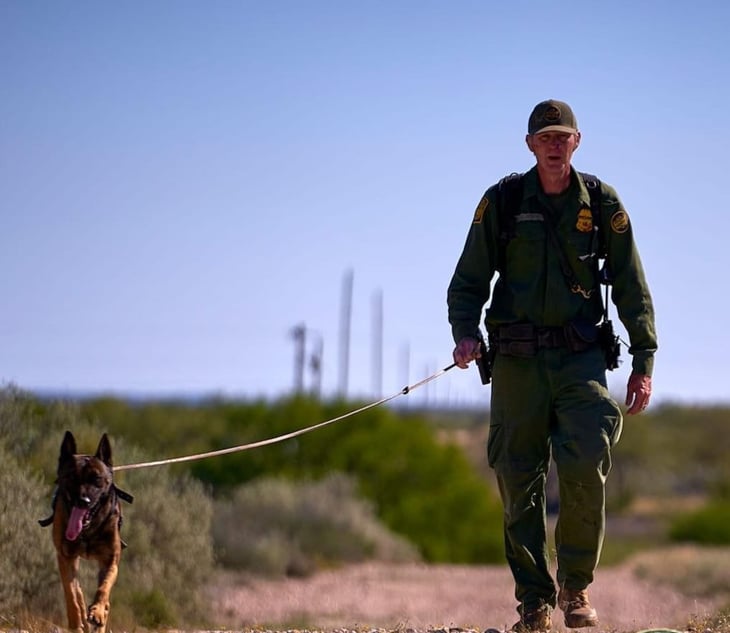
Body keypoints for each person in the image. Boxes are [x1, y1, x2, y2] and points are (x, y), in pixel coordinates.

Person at [447, 99, 657, 631]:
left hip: (581, 360)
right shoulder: (504, 201)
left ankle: (576, 587)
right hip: (517, 363)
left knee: (587, 462)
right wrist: (466, 335)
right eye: (546, 137)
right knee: (518, 480)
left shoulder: (602, 203)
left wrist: (644, 357)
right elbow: (468, 281)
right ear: (530, 145)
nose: (555, 144)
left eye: (563, 136)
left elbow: (632, 285)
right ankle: (534, 602)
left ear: (578, 141)